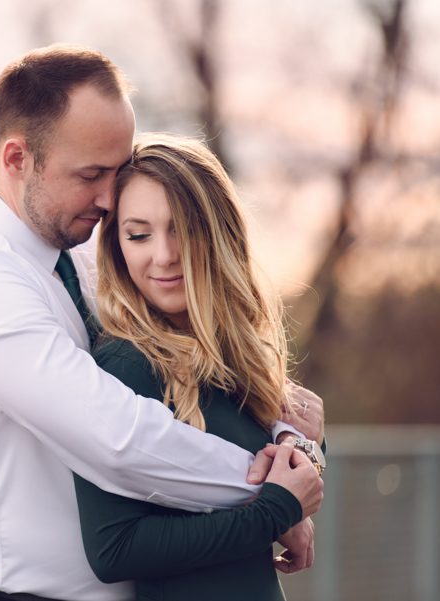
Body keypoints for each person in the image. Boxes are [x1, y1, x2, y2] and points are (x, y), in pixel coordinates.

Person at [0, 44, 324, 601]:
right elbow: (121, 438)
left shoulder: (79, 249)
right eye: (91, 174)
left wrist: (291, 441)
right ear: (16, 159)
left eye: (118, 168)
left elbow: (210, 372)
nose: (110, 198)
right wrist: (276, 494)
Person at [73, 133, 327, 600]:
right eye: (139, 234)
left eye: (181, 229)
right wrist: (276, 511)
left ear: (217, 233)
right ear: (116, 245)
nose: (164, 255)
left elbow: (291, 449)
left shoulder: (236, 354)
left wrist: (303, 445)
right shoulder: (125, 365)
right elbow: (113, 548)